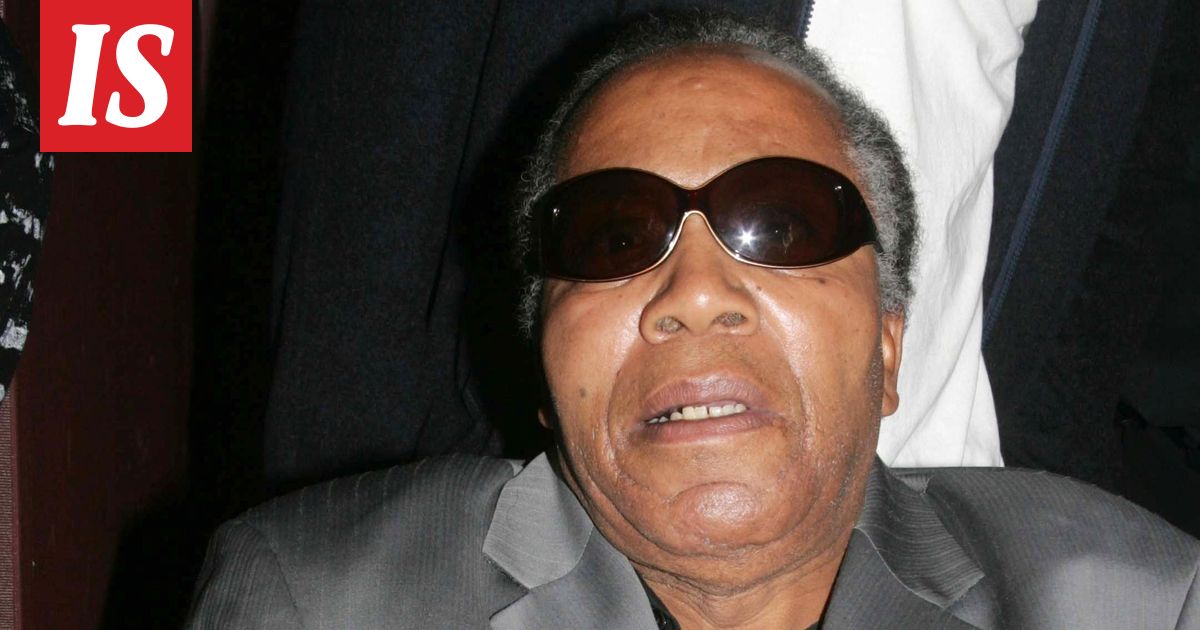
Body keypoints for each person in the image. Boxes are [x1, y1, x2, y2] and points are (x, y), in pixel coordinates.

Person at [187, 14, 1198, 629]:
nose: (696, 292)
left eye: (785, 225)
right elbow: (364, 177)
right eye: (614, 236)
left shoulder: (1141, 602)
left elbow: (1113, 247)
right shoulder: (318, 599)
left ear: (892, 341)